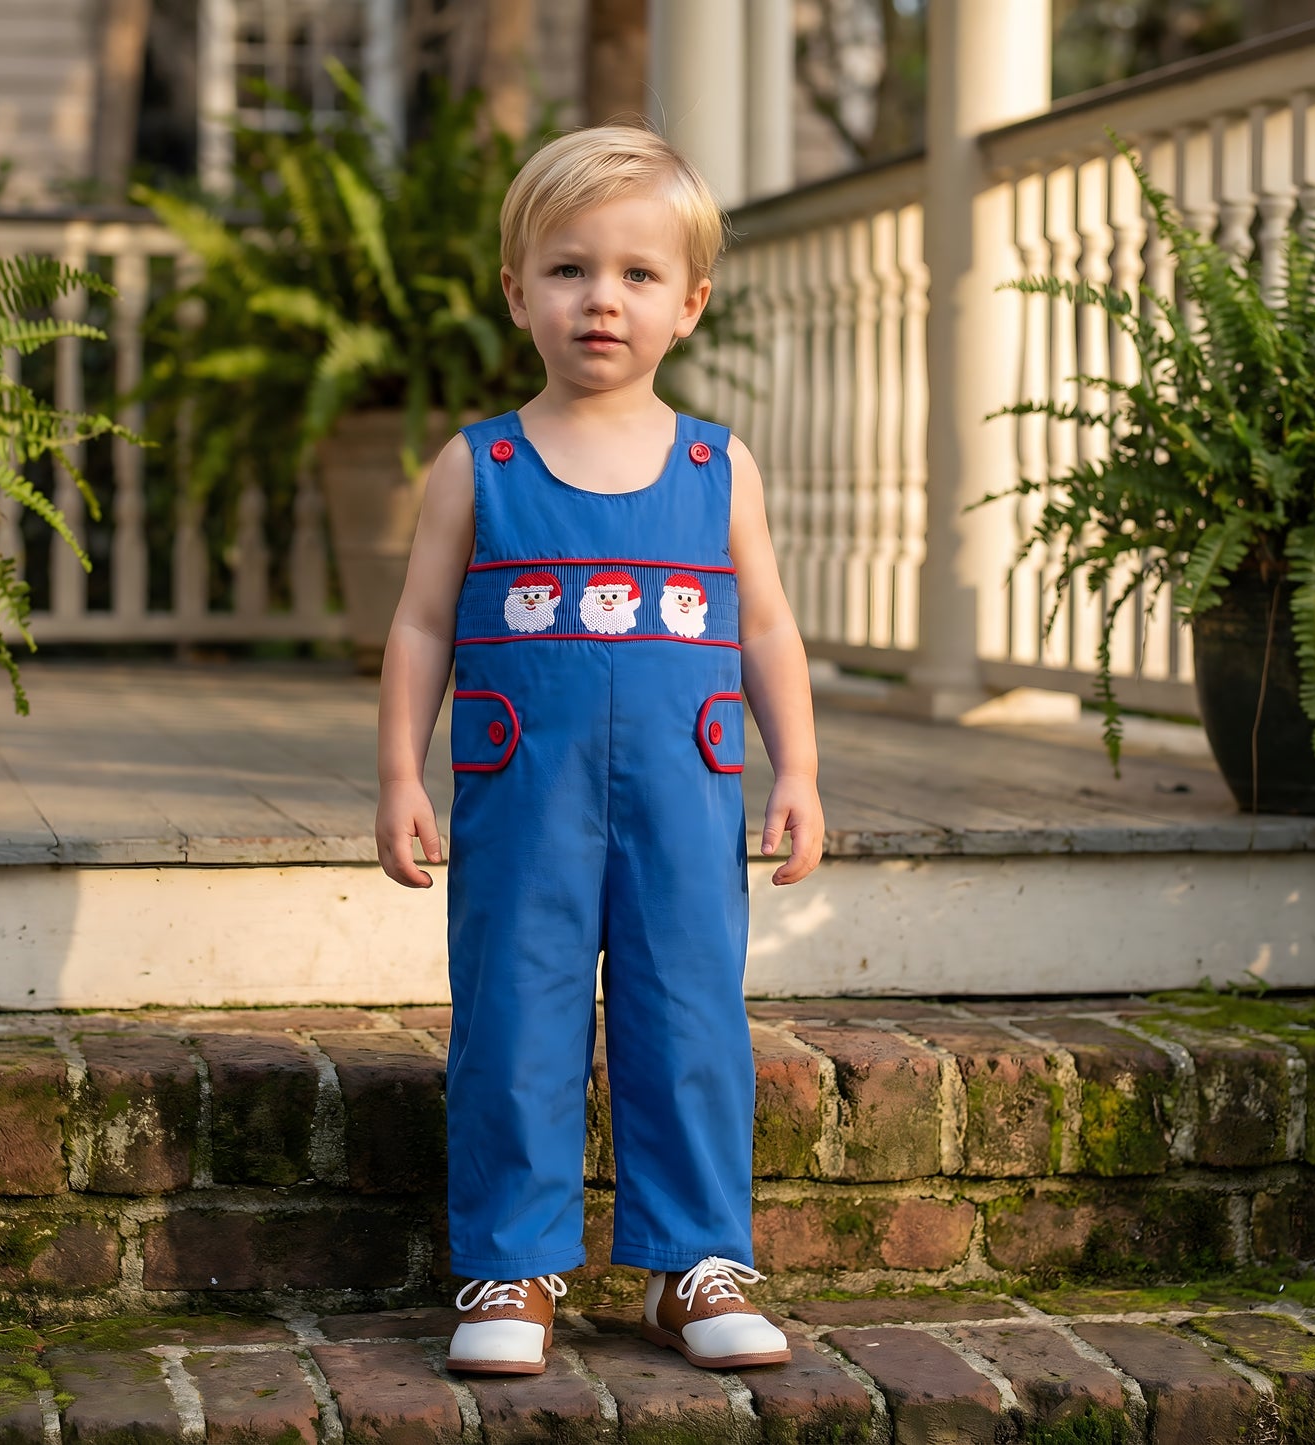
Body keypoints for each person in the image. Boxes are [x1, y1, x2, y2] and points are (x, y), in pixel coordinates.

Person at [375, 124, 824, 1378]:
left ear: (689, 302)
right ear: (517, 291)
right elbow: (417, 626)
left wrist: (794, 768)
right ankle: (508, 1263)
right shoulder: (478, 465)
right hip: (522, 801)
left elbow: (770, 626)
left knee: (686, 1011)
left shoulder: (715, 465)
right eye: (569, 269)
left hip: (684, 799)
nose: (600, 300)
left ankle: (694, 1263)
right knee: (515, 1012)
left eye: (635, 273)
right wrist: (401, 773)